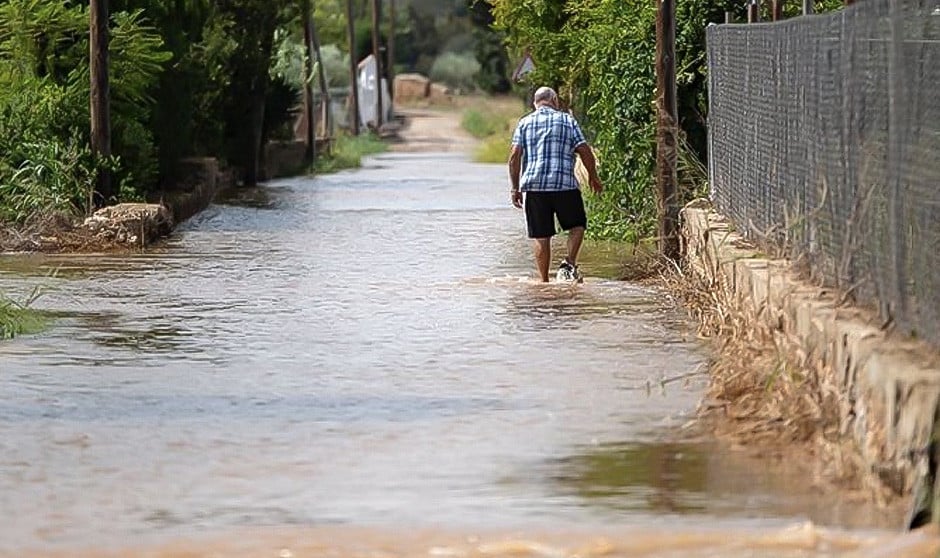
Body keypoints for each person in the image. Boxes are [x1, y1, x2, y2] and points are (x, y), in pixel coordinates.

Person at [508, 86, 603, 282]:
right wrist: (593, 176)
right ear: (555, 101)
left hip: (534, 187)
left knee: (541, 236)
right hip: (564, 185)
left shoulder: (524, 123)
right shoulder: (567, 120)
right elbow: (584, 150)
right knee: (577, 225)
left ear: (535, 103)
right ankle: (568, 263)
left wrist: (515, 188)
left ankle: (544, 282)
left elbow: (514, 157)